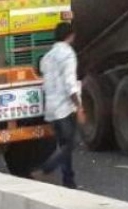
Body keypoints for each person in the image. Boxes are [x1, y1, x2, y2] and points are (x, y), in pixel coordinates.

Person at [34, 22, 82, 189]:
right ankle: (46, 169)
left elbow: (43, 77)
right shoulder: (68, 55)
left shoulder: (47, 57)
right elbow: (70, 84)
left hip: (51, 108)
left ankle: (69, 180)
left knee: (64, 145)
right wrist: (79, 107)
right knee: (71, 144)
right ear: (71, 35)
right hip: (65, 108)